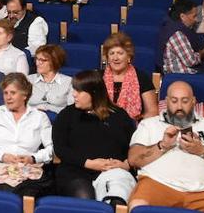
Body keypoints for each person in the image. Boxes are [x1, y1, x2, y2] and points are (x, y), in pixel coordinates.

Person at [127, 81, 204, 213]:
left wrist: (201, 150)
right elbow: (133, 159)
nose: (179, 107)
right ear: (166, 101)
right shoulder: (149, 124)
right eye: (174, 101)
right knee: (138, 208)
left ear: (193, 101)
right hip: (157, 185)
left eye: (185, 101)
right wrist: (163, 146)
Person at [52, 71, 136, 201]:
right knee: (85, 197)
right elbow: (60, 148)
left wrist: (125, 164)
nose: (74, 94)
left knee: (116, 199)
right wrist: (89, 163)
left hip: (113, 171)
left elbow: (134, 146)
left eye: (79, 91)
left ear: (94, 93)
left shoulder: (119, 115)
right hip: (75, 170)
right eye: (74, 90)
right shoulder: (66, 115)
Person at [0, 73, 54, 196]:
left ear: (24, 95)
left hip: (29, 169)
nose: (8, 97)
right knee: (4, 193)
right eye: (5, 93)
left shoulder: (39, 117)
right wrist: (2, 156)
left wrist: (33, 158)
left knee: (26, 192)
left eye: (13, 93)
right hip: (1, 168)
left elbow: (51, 148)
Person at [102, 32, 158, 119]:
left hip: (133, 127)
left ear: (129, 57)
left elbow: (152, 112)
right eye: (112, 53)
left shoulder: (142, 78)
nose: (115, 58)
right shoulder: (98, 77)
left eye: (120, 53)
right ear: (107, 58)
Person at [158, 0, 204, 75]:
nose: (196, 20)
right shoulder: (177, 34)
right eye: (194, 16)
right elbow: (190, 61)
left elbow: (196, 39)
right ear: (182, 16)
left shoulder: (172, 26)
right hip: (182, 75)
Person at [28, 44, 73, 114]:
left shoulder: (69, 82)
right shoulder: (28, 80)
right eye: (37, 59)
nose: (38, 63)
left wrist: (48, 108)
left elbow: (71, 111)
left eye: (43, 60)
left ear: (55, 61)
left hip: (58, 121)